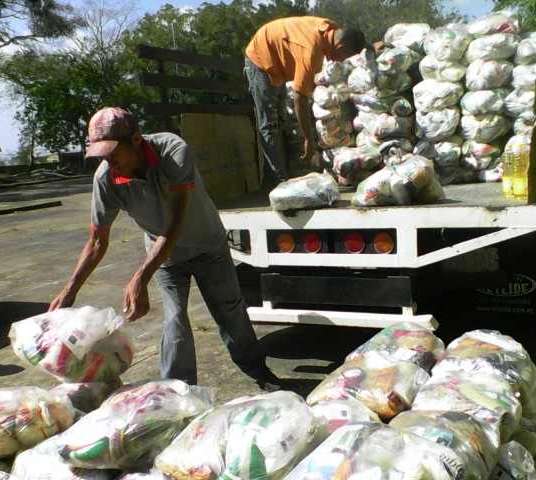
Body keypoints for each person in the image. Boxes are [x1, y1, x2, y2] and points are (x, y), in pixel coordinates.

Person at [48, 106, 282, 391]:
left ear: (136, 140)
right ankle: (178, 392)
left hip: (208, 246)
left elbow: (174, 224)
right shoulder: (106, 179)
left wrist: (140, 277)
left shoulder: (173, 150)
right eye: (102, 155)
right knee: (175, 321)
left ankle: (258, 371)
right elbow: (97, 241)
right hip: (165, 258)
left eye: (113, 153)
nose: (109, 162)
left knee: (230, 311)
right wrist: (70, 289)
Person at [244, 16, 366, 185]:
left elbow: (350, 37)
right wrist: (308, 139)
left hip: (277, 55)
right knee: (269, 124)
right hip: (260, 59)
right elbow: (299, 99)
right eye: (345, 56)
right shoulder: (311, 53)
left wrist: (370, 47)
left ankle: (273, 172)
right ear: (341, 47)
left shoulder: (330, 28)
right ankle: (278, 181)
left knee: (281, 118)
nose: (341, 60)